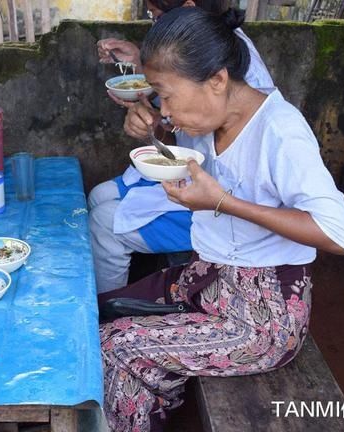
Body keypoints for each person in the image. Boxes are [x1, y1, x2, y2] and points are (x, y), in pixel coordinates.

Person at [98, 7, 344, 432]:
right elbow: (174, 139)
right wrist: (152, 130)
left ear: (217, 79)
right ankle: (146, 410)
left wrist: (224, 203)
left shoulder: (279, 131)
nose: (165, 109)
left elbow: (339, 233)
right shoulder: (209, 116)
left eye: (165, 95)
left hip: (263, 316)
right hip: (211, 277)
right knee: (104, 313)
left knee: (117, 349)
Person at [90, 0, 275, 293]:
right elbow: (177, 131)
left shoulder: (256, 104)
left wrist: (159, 118)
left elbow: (333, 231)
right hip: (196, 179)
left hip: (220, 203)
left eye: (158, 16)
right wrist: (153, 124)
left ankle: (107, 309)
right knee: (100, 197)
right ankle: (121, 299)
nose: (157, 25)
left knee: (104, 221)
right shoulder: (202, 54)